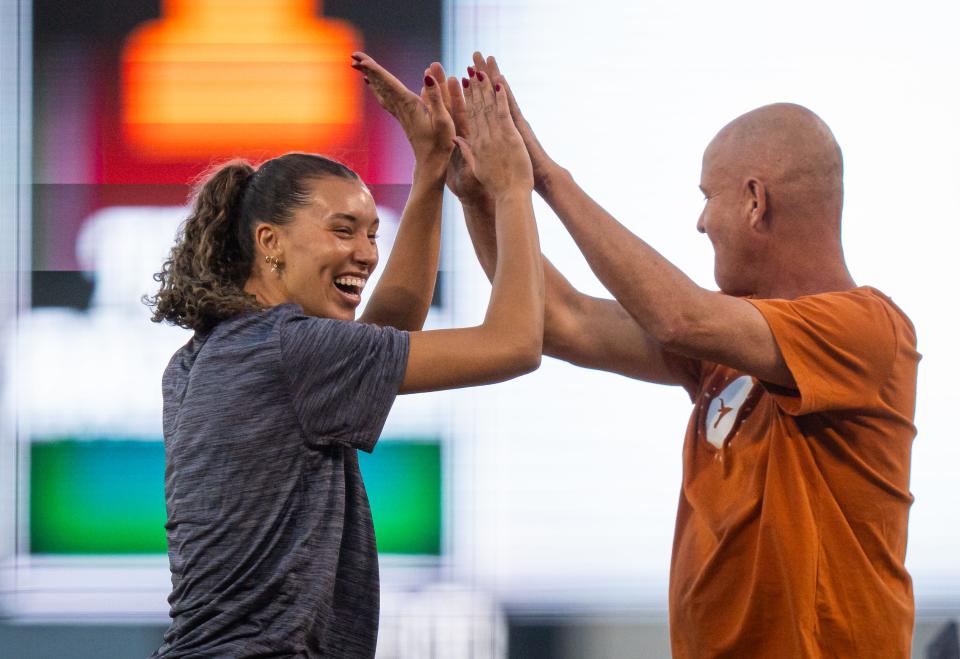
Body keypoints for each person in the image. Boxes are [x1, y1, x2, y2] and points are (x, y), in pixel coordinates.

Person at [449, 53, 920, 657]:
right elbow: (558, 319)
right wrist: (480, 200)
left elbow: (676, 315)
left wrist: (545, 179)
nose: (700, 223)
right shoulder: (726, 346)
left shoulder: (867, 328)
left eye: (707, 197)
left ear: (754, 201)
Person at [145, 53, 543, 658]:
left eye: (371, 233)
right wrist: (513, 188)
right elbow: (514, 345)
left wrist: (431, 170)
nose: (365, 252)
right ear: (270, 242)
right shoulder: (290, 351)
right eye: (341, 230)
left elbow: (381, 338)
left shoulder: (206, 355)